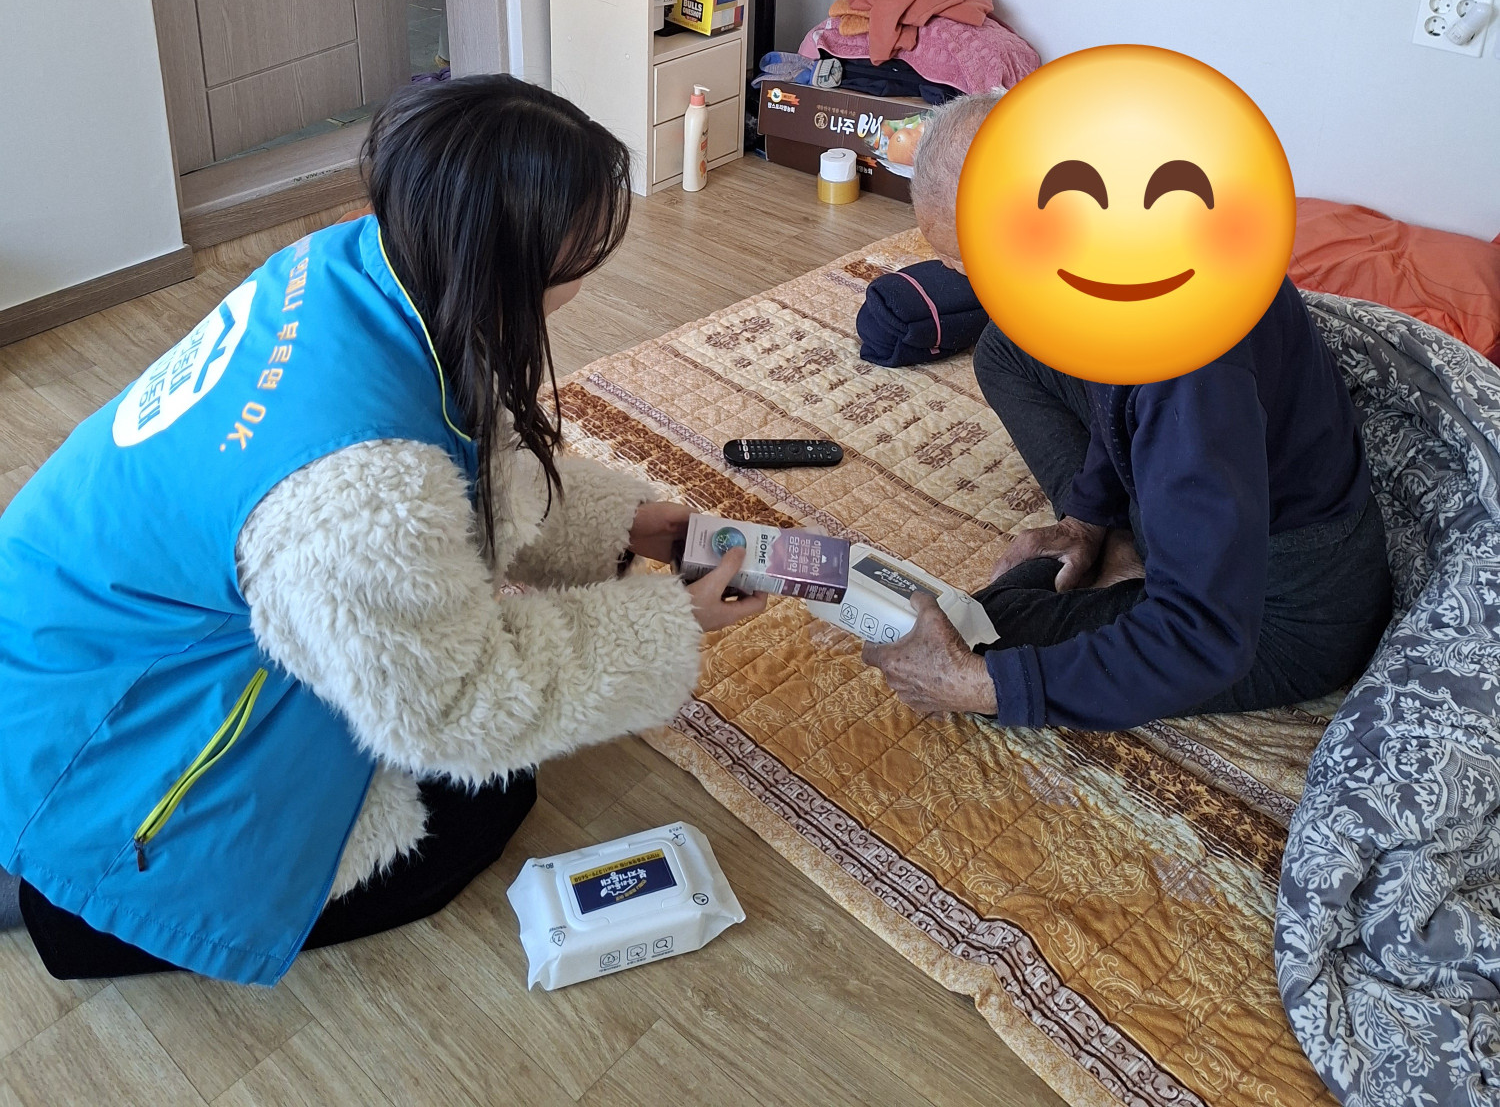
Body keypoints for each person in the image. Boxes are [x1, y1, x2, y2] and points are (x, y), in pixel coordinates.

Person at [0, 76, 762, 984]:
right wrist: (670, 623)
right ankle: (77, 900)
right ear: (502, 263)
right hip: (99, 740)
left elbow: (450, 444)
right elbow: (454, 706)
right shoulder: (355, 495)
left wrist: (625, 524)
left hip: (66, 628)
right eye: (576, 258)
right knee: (483, 805)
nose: (585, 280)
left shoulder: (351, 262)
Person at [863, 93, 1391, 730]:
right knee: (1005, 350)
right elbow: (1113, 391)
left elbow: (1206, 634)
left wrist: (979, 685)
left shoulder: (1185, 355)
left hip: (1283, 606)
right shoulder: (1124, 220)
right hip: (1215, 479)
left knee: (988, 632)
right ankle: (1117, 537)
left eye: (973, 267)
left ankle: (1133, 561)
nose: (972, 288)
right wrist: (1088, 516)